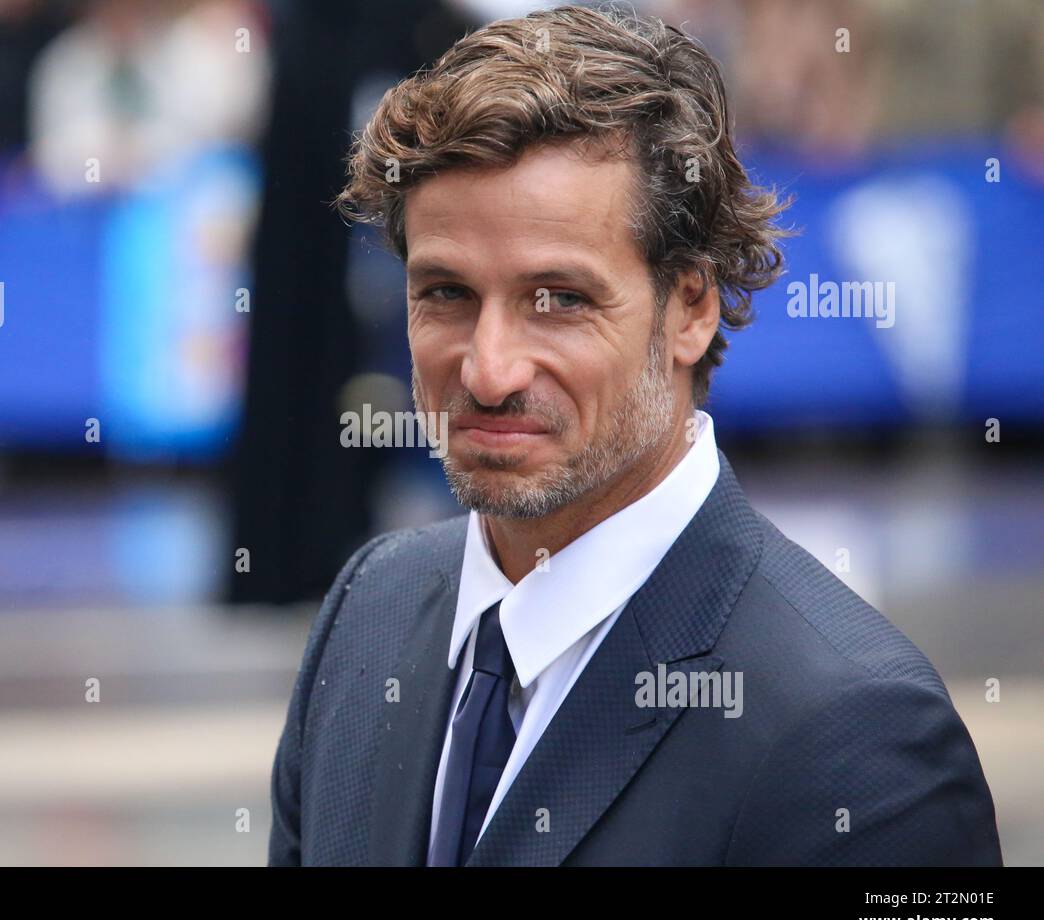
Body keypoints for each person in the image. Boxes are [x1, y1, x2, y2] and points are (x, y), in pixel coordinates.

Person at [268, 5, 1001, 866]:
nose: (488, 371)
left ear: (692, 306)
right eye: (445, 295)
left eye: (560, 300)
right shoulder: (368, 612)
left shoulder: (861, 737)